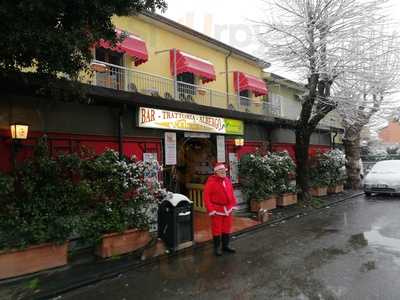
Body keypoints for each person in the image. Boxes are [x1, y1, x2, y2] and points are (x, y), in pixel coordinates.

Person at [203, 163, 237, 256]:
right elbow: (206, 197)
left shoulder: (227, 181)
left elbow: (231, 193)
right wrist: (211, 209)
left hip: (228, 208)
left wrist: (233, 204)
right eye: (220, 170)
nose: (223, 172)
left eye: (224, 170)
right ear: (215, 172)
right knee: (217, 229)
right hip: (216, 209)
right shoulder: (211, 182)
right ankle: (217, 248)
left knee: (227, 228)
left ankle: (225, 246)